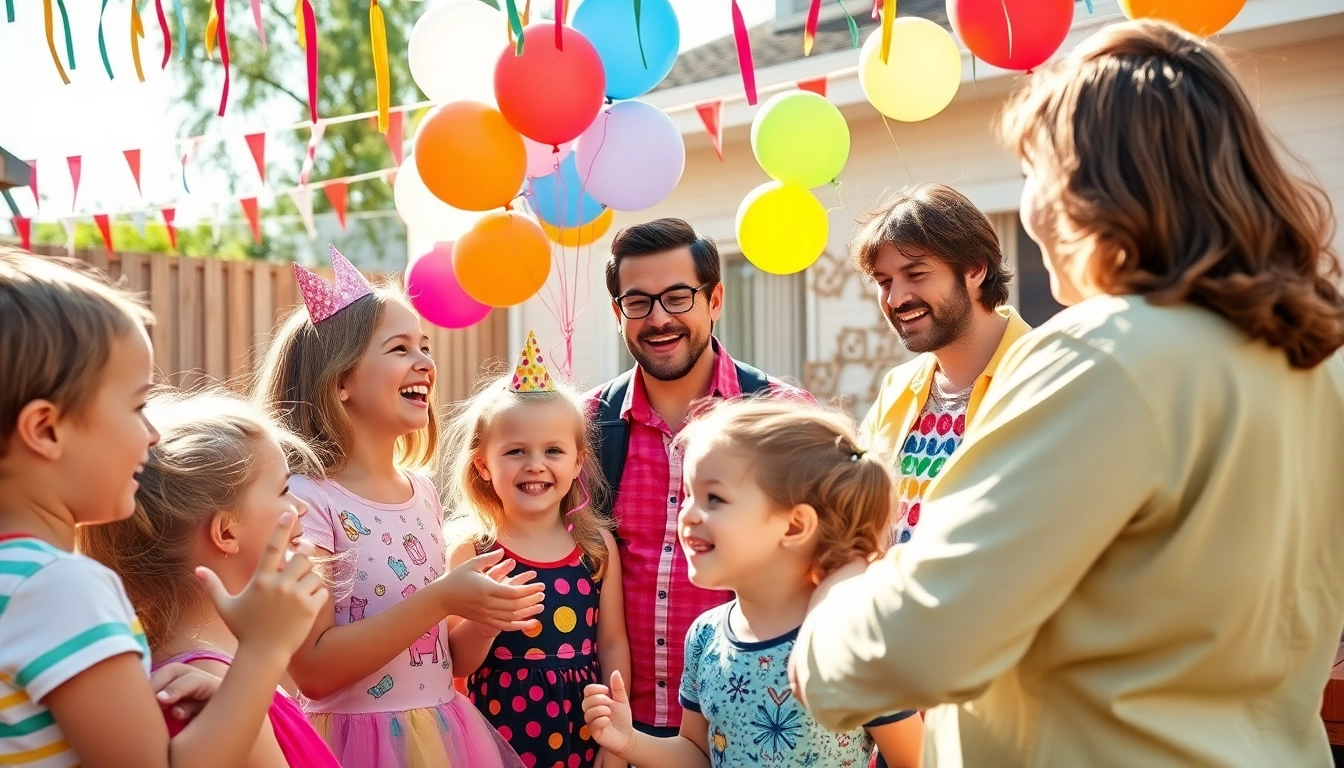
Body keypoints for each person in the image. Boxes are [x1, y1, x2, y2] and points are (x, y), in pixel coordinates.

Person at [790, 19, 1344, 768]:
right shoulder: (1314, 361)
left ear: (1083, 189)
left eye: (1032, 171)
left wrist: (830, 603)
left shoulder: (1102, 355)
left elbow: (919, 642)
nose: (1028, 207)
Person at [0, 250, 328, 768]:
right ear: (45, 430)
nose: (152, 434)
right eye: (136, 407)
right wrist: (263, 649)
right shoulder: (60, 587)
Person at [253, 245, 542, 767]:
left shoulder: (423, 493)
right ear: (341, 381)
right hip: (352, 746)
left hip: (442, 733)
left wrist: (483, 620)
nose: (426, 363)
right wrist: (442, 597)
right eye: (400, 348)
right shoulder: (306, 501)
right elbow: (314, 670)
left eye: (425, 346)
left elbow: (442, 658)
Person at [582, 400, 923, 767]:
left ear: (794, 526)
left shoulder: (851, 641)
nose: (687, 514)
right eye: (689, 495)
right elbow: (698, 755)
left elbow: (919, 760)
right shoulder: (706, 636)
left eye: (714, 498)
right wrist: (630, 741)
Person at [585, 218, 814, 739]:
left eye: (677, 297)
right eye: (638, 302)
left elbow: (835, 558)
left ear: (715, 300)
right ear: (618, 314)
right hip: (619, 736)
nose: (658, 318)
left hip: (758, 731)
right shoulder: (587, 426)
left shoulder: (781, 416)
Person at [80, 391, 342, 767]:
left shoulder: (225, 677)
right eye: (284, 490)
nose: (300, 507)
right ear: (226, 532)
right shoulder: (214, 685)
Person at [443, 331, 632, 768]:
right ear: (483, 465)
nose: (535, 465)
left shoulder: (595, 548)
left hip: (584, 733)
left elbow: (612, 644)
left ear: (578, 462)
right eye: (515, 451)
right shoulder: (473, 551)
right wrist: (485, 625)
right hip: (497, 738)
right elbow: (457, 663)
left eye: (553, 450)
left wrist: (616, 742)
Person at [852, 183, 1031, 544]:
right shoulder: (897, 386)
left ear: (975, 269)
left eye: (916, 274)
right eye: (884, 282)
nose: (896, 298)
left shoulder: (1042, 372)